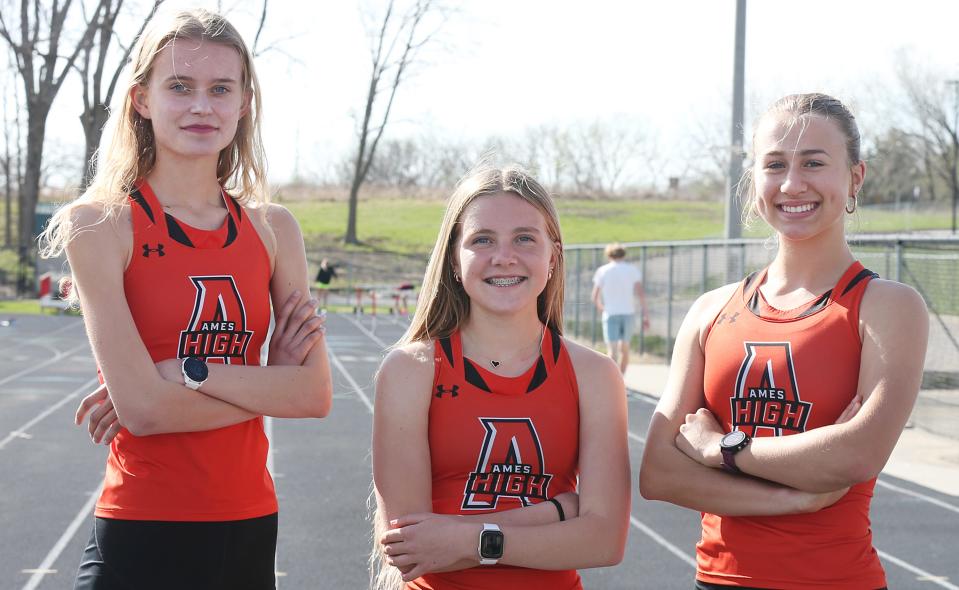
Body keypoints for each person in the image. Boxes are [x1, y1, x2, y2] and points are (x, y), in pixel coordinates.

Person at [39, 9, 333, 589]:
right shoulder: (99, 226)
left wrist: (182, 371)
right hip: (141, 528)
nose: (203, 106)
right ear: (141, 100)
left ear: (244, 103)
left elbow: (315, 394)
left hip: (249, 527)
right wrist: (269, 383)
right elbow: (145, 413)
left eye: (221, 89)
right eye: (180, 86)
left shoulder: (275, 229)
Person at [639, 93, 928, 590]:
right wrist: (794, 496)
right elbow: (658, 472)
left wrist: (721, 451)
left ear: (855, 178)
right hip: (717, 580)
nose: (793, 184)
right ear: (755, 184)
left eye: (814, 162)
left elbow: (856, 454)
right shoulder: (711, 309)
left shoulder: (886, 306)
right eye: (775, 165)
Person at [370, 164, 630, 589]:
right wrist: (558, 513)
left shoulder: (594, 375)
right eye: (482, 240)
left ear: (553, 256)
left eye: (524, 238)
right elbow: (410, 549)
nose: (503, 256)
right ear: (455, 259)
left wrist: (468, 538)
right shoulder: (411, 370)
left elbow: (604, 542)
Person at [591, 243, 648, 373]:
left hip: (610, 313)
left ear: (609, 255)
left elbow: (595, 296)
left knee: (612, 350)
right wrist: (646, 315)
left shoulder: (603, 271)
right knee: (625, 348)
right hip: (628, 313)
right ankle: (621, 380)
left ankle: (613, 381)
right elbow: (641, 294)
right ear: (624, 254)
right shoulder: (632, 270)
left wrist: (602, 308)